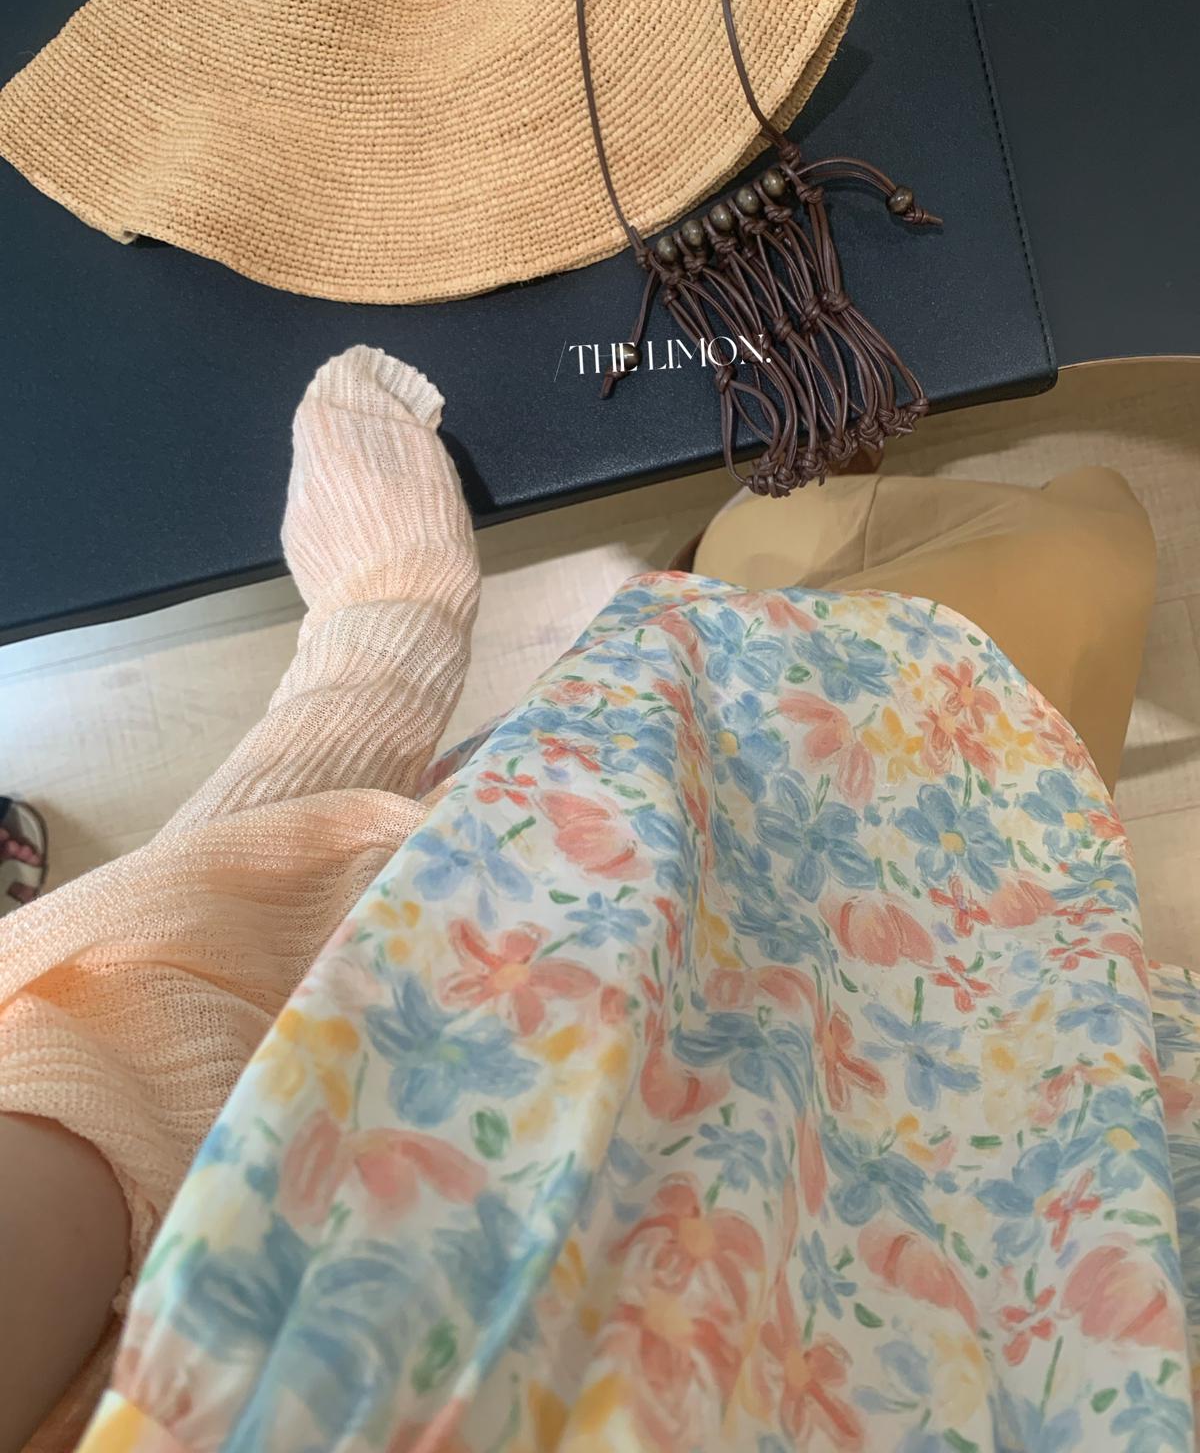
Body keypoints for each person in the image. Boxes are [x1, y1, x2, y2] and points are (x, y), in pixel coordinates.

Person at [2, 347, 1192, 1453]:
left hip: (609, 870)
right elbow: (131, 1040)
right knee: (1063, 563)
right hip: (935, 1035)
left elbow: (119, 1056)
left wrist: (386, 653)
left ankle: (748, 557)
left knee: (788, 600)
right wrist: (387, 631)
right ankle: (765, 549)